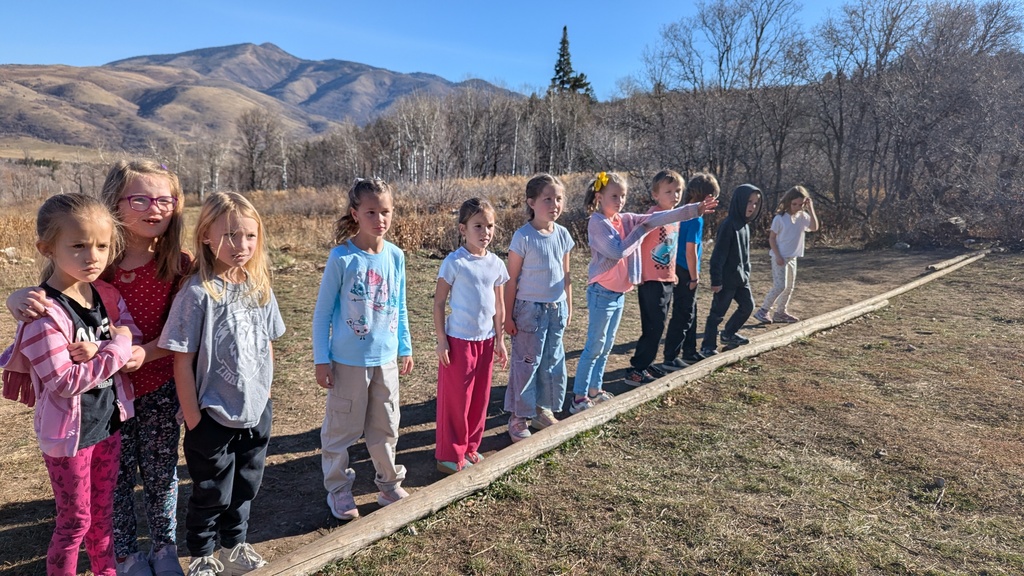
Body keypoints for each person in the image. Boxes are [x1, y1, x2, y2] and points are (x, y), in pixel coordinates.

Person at [6, 162, 190, 576]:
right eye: (140, 199)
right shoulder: (98, 265)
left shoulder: (179, 264)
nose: (154, 209)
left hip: (156, 384)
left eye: (165, 200)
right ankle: (123, 556)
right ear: (115, 205)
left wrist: (144, 351)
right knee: (113, 485)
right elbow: (51, 294)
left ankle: (164, 548)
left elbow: (182, 330)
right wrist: (16, 297)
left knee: (161, 474)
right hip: (103, 402)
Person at [1, 193, 138, 576]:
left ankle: (105, 572)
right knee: (74, 521)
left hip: (108, 425)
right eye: (78, 246)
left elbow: (131, 335)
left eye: (102, 245)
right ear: (47, 248)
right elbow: (65, 381)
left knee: (102, 515)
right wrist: (117, 346)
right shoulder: (41, 315)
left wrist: (108, 347)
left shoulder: (105, 295)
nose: (92, 256)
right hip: (68, 438)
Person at [159, 192, 285, 576]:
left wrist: (264, 395)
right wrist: (195, 418)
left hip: (255, 411)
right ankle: (202, 552)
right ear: (207, 237)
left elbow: (267, 345)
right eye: (230, 235)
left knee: (247, 484)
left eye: (249, 236)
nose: (241, 245)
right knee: (212, 490)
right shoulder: (197, 293)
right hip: (211, 415)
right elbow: (182, 362)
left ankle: (235, 545)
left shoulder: (259, 286)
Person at [570, 172, 718, 414]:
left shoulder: (624, 218)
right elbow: (617, 251)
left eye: (623, 196)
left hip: (618, 294)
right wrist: (641, 230)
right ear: (599, 197)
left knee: (606, 346)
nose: (620, 200)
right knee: (593, 346)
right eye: (614, 196)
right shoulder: (597, 223)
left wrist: (694, 210)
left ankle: (594, 391)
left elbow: (662, 217)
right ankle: (578, 397)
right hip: (601, 293)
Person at [313, 178, 413, 521]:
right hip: (347, 362)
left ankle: (388, 484)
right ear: (355, 214)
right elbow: (323, 312)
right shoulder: (342, 258)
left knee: (385, 425)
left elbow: (399, 306)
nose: (379, 219)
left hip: (385, 361)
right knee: (342, 429)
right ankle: (339, 489)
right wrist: (321, 359)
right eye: (371, 212)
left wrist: (405, 346)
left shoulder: (396, 256)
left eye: (385, 211)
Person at [433, 198, 509, 472]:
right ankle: (449, 455)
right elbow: (439, 302)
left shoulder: (497, 264)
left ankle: (470, 448)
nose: (485, 232)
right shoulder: (454, 262)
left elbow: (499, 305)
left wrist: (500, 339)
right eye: (478, 226)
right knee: (457, 399)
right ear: (463, 229)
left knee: (480, 398)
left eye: (489, 226)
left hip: (486, 341)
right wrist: (442, 340)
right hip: (458, 341)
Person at [502, 174, 574, 443]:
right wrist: (508, 316)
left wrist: (569, 305)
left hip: (557, 310)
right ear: (531, 202)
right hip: (529, 311)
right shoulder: (523, 237)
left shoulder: (564, 235)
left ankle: (543, 409)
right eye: (547, 199)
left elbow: (566, 274)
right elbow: (511, 281)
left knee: (552, 362)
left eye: (558, 199)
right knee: (527, 363)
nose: (554, 204)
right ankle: (519, 415)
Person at [626, 170, 685, 384]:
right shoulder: (651, 217)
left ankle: (646, 363)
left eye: (678, 191)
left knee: (658, 325)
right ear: (655, 195)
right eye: (668, 191)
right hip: (650, 280)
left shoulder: (675, 218)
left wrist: (673, 273)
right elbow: (635, 245)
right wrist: (638, 273)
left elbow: (670, 247)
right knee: (653, 325)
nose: (674, 195)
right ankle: (636, 369)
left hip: (666, 279)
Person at [662, 173, 720, 370]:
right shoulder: (695, 219)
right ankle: (670, 357)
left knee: (691, 312)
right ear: (707, 198)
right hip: (686, 271)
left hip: (676, 269)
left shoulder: (682, 212)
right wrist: (695, 276)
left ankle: (689, 351)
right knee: (683, 315)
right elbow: (690, 251)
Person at [701, 184, 762, 356]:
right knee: (717, 314)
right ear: (739, 201)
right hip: (726, 281)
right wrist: (716, 280)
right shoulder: (728, 225)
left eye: (756, 203)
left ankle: (728, 334)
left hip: (741, 279)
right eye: (749, 202)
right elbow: (718, 255)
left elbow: (745, 256)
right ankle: (707, 346)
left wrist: (746, 273)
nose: (752, 206)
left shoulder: (745, 226)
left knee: (747, 306)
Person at [753, 185, 820, 324]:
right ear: (788, 201)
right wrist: (777, 256)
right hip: (780, 257)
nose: (797, 206)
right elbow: (772, 238)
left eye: (800, 204)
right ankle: (763, 311)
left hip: (792, 257)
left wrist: (810, 208)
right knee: (780, 286)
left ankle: (780, 312)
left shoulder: (803, 216)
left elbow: (814, 227)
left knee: (789, 286)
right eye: (794, 203)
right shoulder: (780, 218)